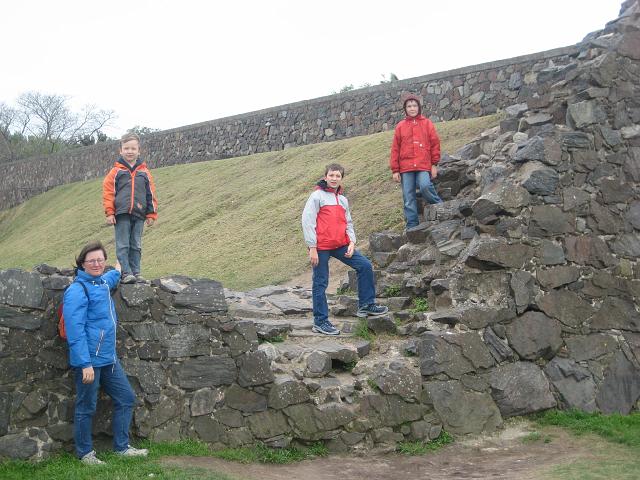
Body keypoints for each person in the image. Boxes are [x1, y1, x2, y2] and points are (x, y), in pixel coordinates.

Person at [63, 241, 148, 464]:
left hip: (109, 359)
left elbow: (111, 277)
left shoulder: (102, 282)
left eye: (100, 259)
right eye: (92, 260)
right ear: (82, 263)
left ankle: (121, 447)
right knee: (86, 406)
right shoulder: (77, 290)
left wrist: (118, 269)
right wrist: (84, 363)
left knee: (126, 398)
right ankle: (85, 453)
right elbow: (75, 330)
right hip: (90, 361)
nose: (97, 263)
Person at [302, 163, 389, 335]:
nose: (334, 179)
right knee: (320, 282)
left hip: (341, 245)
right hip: (321, 247)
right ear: (325, 176)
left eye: (338, 176)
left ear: (341, 178)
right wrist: (312, 247)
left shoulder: (342, 200)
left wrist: (352, 242)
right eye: (331, 175)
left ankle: (366, 305)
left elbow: (348, 222)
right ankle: (320, 322)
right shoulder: (316, 196)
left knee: (364, 265)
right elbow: (307, 221)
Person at [103, 133, 158, 284]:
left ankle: (136, 272)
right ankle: (126, 272)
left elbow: (150, 193)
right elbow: (108, 192)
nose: (130, 151)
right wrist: (109, 212)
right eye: (126, 148)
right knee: (123, 244)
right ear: (120, 150)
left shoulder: (144, 172)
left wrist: (151, 214)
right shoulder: (116, 172)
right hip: (121, 214)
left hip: (139, 213)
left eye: (133, 148)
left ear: (139, 151)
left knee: (136, 244)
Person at [389, 93, 443, 229]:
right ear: (405, 109)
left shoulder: (427, 123)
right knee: (408, 197)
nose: (412, 108)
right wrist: (395, 170)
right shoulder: (400, 126)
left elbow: (435, 144)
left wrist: (434, 164)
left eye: (414, 105)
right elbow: (395, 149)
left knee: (425, 186)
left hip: (423, 165)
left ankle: (442, 208)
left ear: (418, 107)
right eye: (409, 106)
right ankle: (412, 225)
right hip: (405, 168)